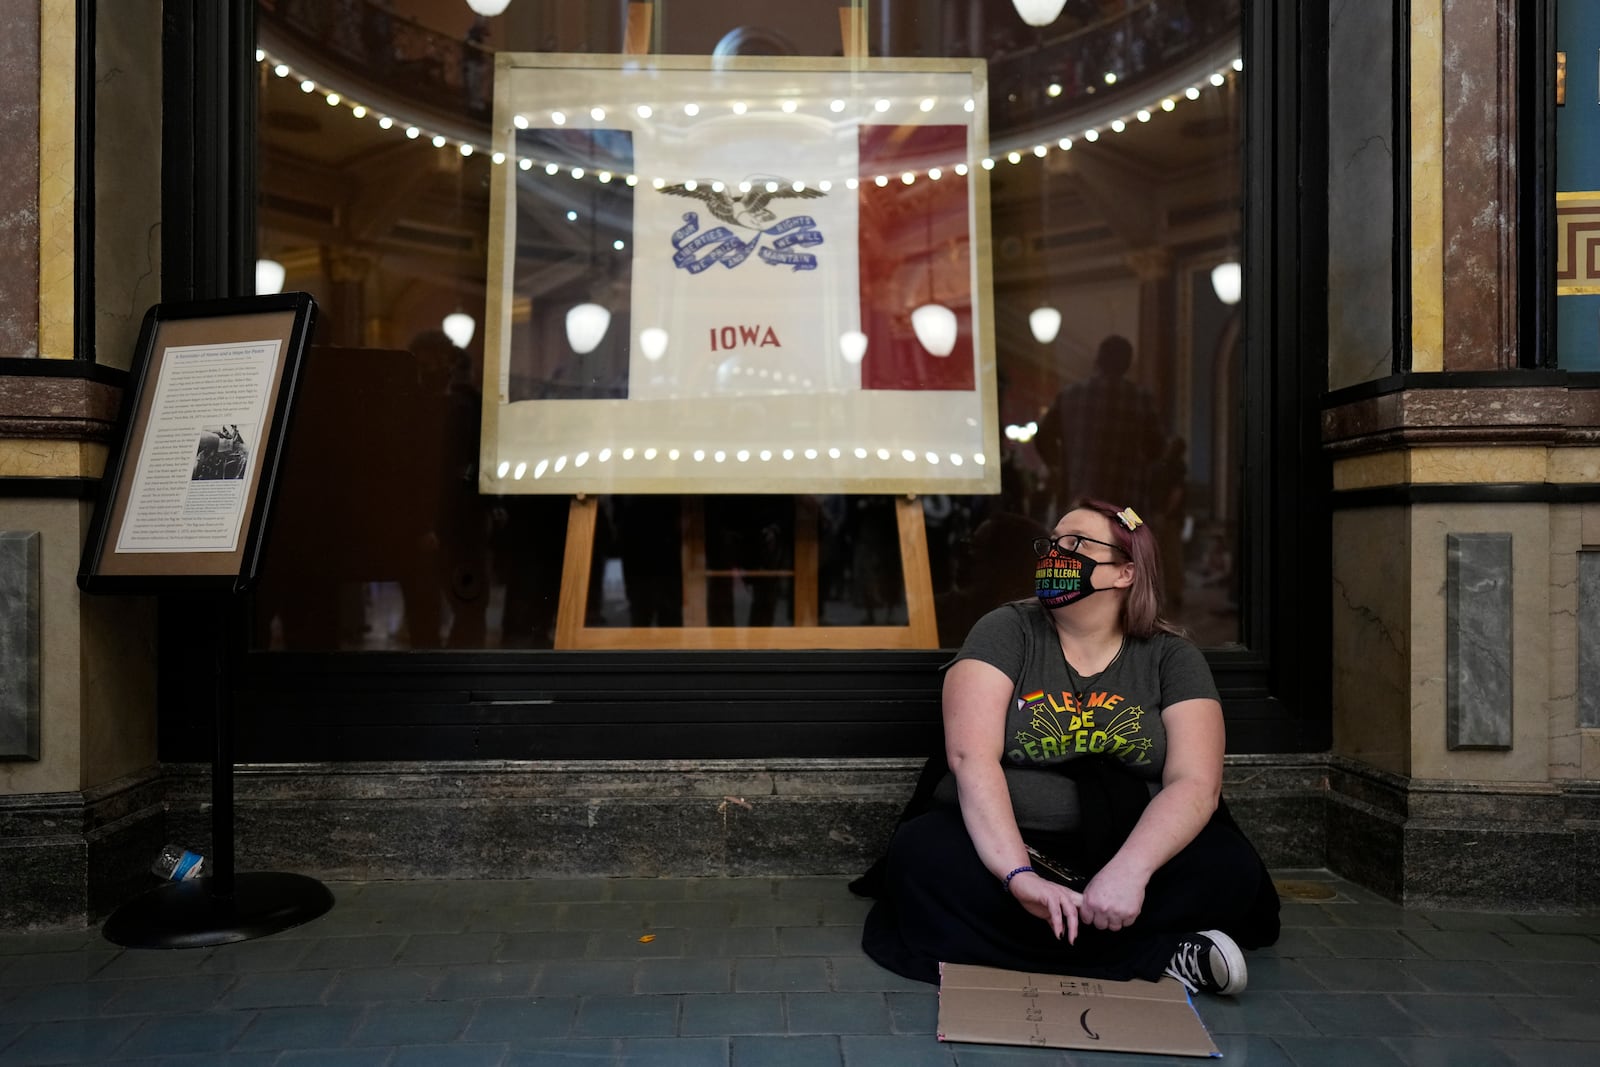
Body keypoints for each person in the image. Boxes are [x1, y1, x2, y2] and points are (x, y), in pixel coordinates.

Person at [858, 499, 1279, 994]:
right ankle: (1161, 955)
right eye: (1052, 543)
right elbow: (970, 758)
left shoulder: (1173, 658)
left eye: (1075, 544)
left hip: (1128, 846)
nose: (1055, 553)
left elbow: (1196, 783)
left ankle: (1043, 942)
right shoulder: (1005, 630)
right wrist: (1018, 876)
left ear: (1125, 573)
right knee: (922, 857)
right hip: (1010, 845)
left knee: (1230, 869)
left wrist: (1129, 873)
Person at [1035, 335, 1163, 515]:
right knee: (1126, 542)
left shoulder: (1070, 395)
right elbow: (1157, 448)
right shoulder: (1141, 400)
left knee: (1077, 541)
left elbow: (1043, 437)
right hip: (1126, 507)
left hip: (1079, 501)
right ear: (1127, 364)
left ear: (1098, 360)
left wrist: (1058, 467)